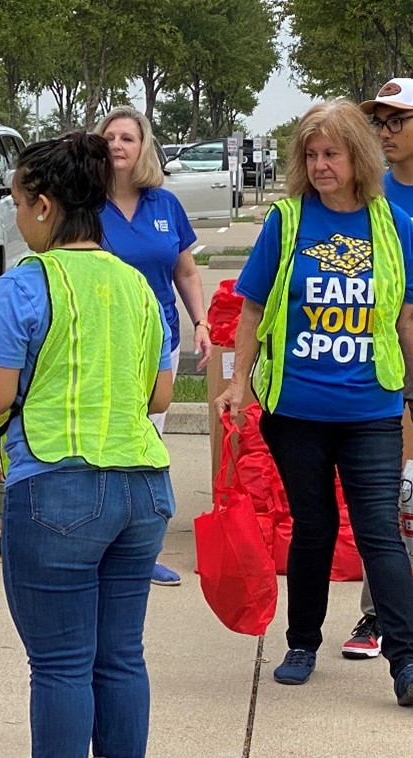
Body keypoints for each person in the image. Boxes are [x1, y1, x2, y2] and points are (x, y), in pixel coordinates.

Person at [0, 132, 175, 758]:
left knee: (60, 665)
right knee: (120, 659)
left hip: (57, 489)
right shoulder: (137, 286)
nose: (13, 214)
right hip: (143, 489)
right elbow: (161, 397)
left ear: (45, 206)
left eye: (16, 200)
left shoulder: (27, 282)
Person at [214, 99, 413, 706]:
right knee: (314, 526)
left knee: (379, 528)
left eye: (333, 153)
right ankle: (302, 642)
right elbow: (252, 307)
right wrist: (238, 380)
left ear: (359, 156)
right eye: (312, 154)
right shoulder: (287, 221)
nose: (321, 165)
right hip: (296, 409)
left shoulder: (393, 224)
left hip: (371, 408)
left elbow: (405, 318)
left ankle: (406, 662)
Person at [93, 104, 213, 588]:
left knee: (148, 447)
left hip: (157, 345)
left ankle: (142, 554)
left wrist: (201, 322)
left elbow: (185, 271)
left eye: (127, 138)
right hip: (100, 345)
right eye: (109, 138)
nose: (117, 146)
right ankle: (97, 549)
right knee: (103, 445)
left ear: (144, 148)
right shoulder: (83, 203)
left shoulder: (165, 205)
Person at [338, 78, 413, 661]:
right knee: (390, 502)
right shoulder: (374, 199)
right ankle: (377, 617)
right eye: (379, 123)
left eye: (397, 121)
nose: (384, 133)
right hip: (389, 369)